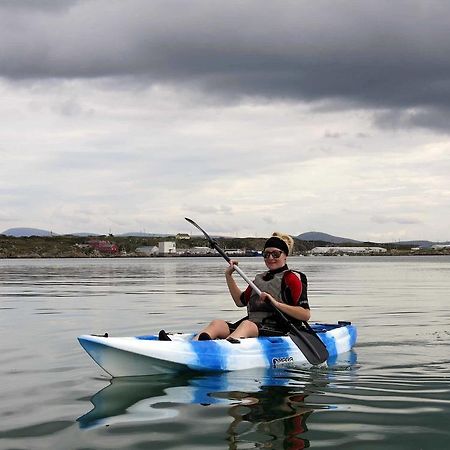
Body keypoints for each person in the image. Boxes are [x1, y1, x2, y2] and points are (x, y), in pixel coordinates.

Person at [187, 232, 311, 342]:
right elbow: (240, 301)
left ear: (285, 255)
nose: (270, 258)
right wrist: (228, 275)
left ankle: (226, 348)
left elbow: (305, 315)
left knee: (247, 325)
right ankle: (194, 345)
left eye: (275, 254)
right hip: (255, 327)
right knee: (217, 324)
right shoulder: (259, 279)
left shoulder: (293, 278)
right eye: (266, 254)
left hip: (281, 329)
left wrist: (276, 303)